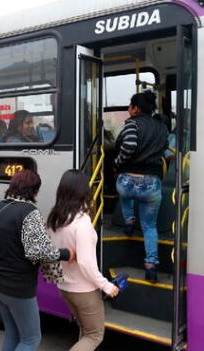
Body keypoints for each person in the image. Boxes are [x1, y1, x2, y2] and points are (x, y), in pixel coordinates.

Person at [0, 169, 74, 351]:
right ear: (33, 190)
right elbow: (38, 251)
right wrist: (67, 254)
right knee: (31, 339)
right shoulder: (29, 213)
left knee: (12, 334)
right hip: (18, 288)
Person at [48, 169, 119, 351]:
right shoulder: (82, 223)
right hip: (84, 290)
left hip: (64, 287)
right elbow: (86, 263)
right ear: (82, 192)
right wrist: (106, 286)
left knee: (85, 331)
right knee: (95, 335)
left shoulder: (55, 218)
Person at [114, 91, 168, 283]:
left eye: (130, 106)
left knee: (124, 190)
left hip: (128, 181)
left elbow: (128, 146)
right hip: (151, 185)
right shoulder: (161, 127)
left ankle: (128, 221)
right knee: (149, 226)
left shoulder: (132, 123)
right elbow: (165, 147)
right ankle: (151, 266)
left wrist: (118, 163)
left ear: (135, 109)